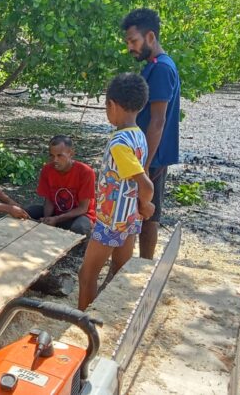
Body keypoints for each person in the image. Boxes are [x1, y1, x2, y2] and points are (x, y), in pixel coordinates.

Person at [78, 73, 155, 310]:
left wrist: (146, 204)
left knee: (87, 274)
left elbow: (145, 184)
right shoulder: (139, 134)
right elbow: (143, 171)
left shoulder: (119, 142)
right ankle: (106, 314)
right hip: (129, 218)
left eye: (106, 106)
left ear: (112, 104)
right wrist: (139, 208)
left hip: (112, 220)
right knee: (120, 273)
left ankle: (81, 324)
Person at [122, 8, 181, 259]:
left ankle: (144, 266)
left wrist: (143, 165)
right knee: (143, 211)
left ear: (150, 37)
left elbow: (158, 121)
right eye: (127, 42)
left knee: (148, 215)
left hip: (152, 157)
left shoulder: (162, 69)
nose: (130, 48)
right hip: (146, 155)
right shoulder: (153, 65)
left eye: (133, 41)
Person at [26, 135, 96, 235]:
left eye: (60, 156)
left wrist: (56, 219)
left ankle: (81, 246)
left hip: (79, 215)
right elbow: (49, 200)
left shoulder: (86, 172)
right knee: (26, 211)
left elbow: (83, 208)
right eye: (52, 155)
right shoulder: (47, 170)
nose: (55, 160)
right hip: (56, 212)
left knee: (80, 227)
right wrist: (47, 218)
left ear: (71, 153)